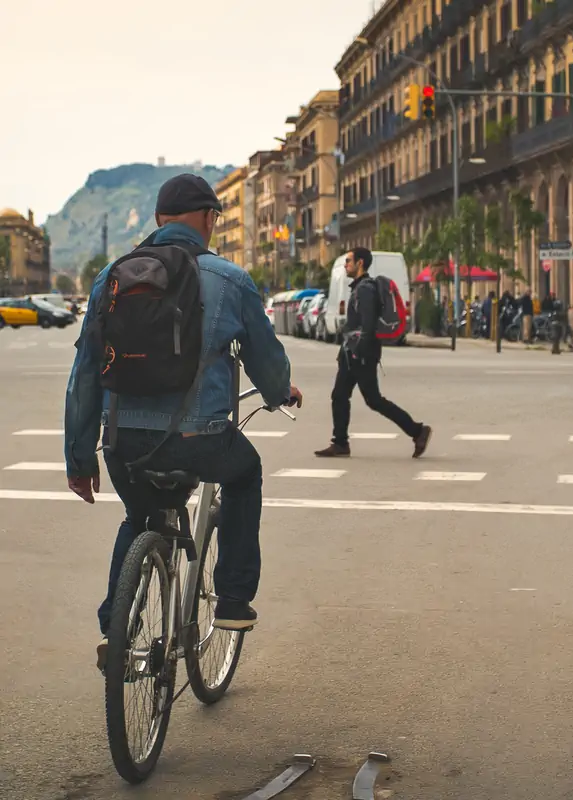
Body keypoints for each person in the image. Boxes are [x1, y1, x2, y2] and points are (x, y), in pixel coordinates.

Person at [64, 173, 302, 668]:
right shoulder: (230, 278)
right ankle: (234, 600)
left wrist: (79, 457)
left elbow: (85, 374)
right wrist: (281, 393)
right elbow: (266, 359)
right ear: (208, 218)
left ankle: (117, 630)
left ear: (158, 220)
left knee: (139, 517)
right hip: (199, 437)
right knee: (245, 473)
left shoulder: (111, 275)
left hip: (123, 444)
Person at [314, 247, 431, 458]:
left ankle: (417, 430)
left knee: (373, 400)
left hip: (361, 354)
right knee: (340, 395)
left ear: (360, 263)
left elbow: (368, 324)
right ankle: (340, 442)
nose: (345, 264)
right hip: (353, 353)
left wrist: (359, 351)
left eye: (348, 261)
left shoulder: (365, 289)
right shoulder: (359, 287)